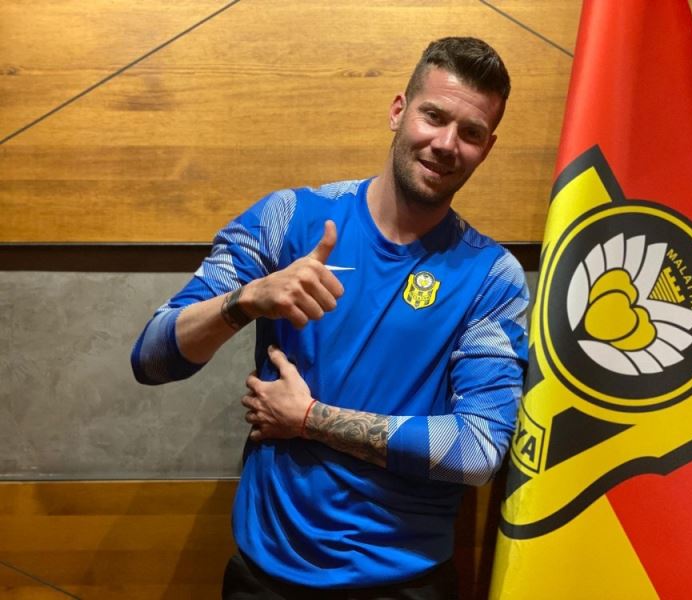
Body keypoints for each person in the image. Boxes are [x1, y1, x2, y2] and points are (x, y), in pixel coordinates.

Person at [131, 36, 529, 599]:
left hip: (404, 583)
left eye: (470, 132)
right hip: (265, 577)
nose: (446, 143)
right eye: (434, 116)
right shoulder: (289, 218)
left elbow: (477, 451)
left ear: (487, 148)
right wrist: (247, 299)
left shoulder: (491, 276)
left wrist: (310, 419)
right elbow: (151, 357)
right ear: (398, 111)